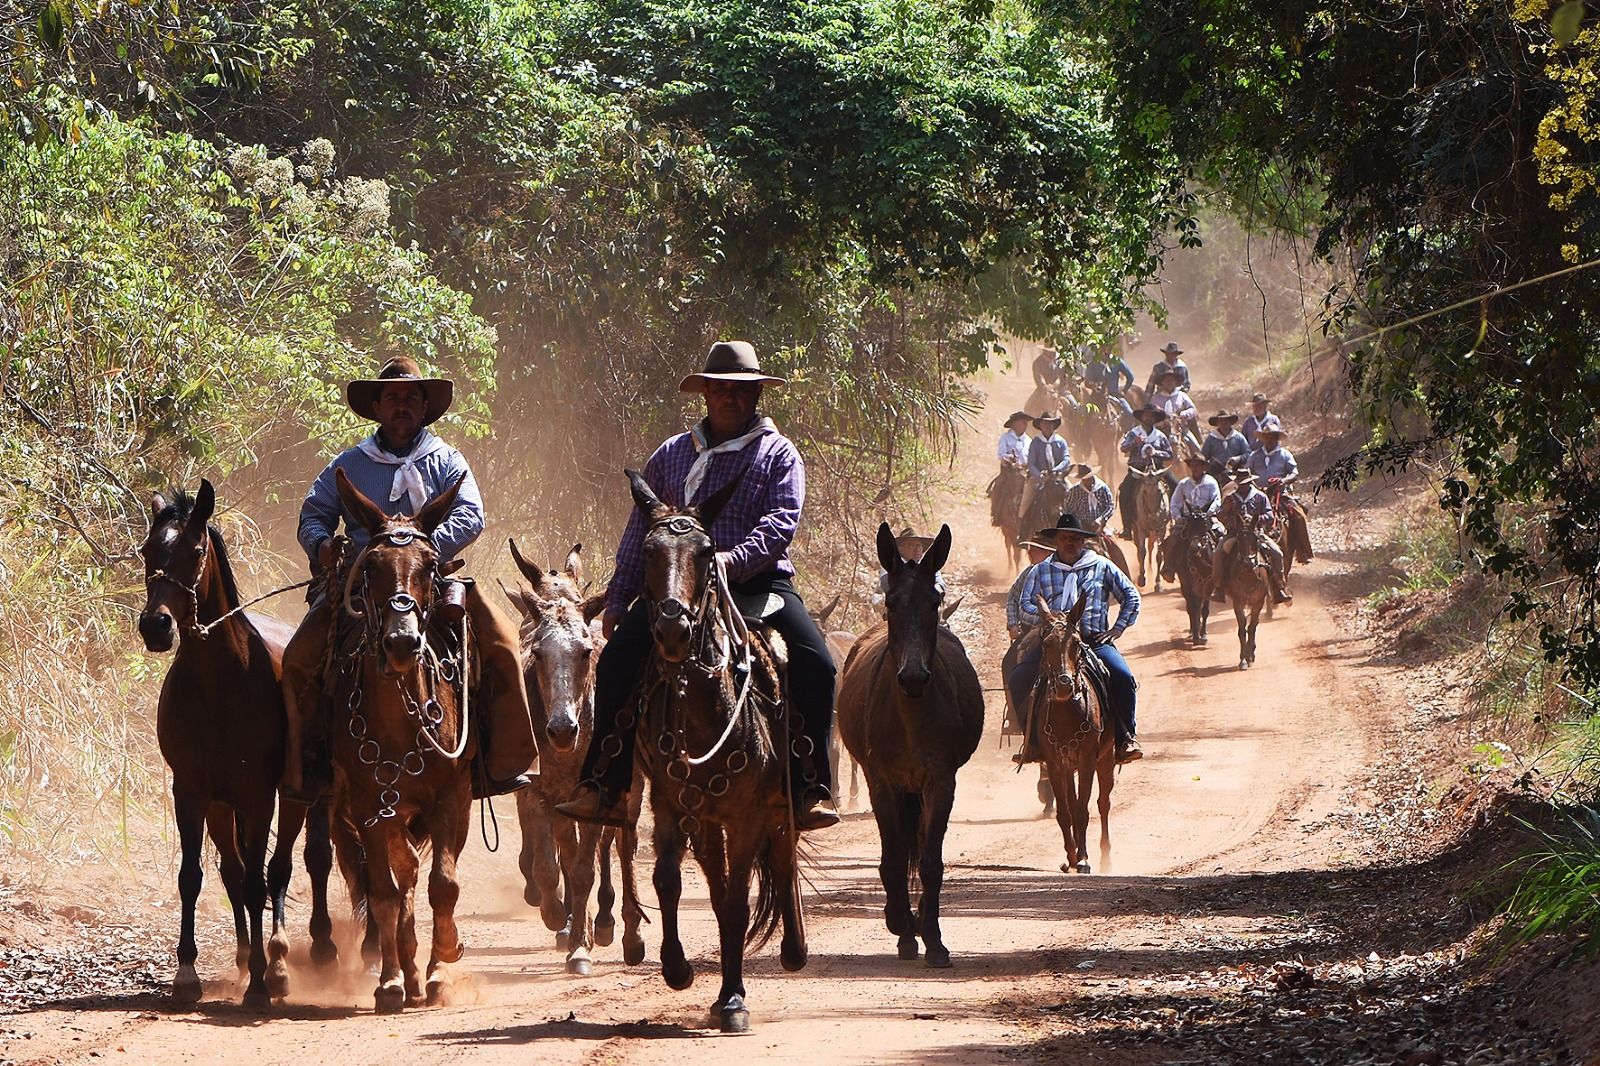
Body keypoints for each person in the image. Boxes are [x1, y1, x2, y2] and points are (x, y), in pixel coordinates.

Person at [556, 341, 839, 831]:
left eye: (742, 391)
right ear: (705, 393)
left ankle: (809, 784)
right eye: (721, 389)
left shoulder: (777, 454)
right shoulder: (671, 455)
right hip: (671, 587)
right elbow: (637, 535)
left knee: (816, 663)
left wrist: (727, 562)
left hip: (757, 584)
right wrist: (619, 598)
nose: (731, 398)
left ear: (756, 396)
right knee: (619, 659)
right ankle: (605, 783)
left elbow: (780, 523)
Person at [279, 355, 539, 802]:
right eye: (392, 397)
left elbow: (472, 515)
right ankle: (307, 760)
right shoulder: (350, 463)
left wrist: (423, 551)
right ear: (377, 407)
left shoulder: (448, 461)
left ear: (423, 408)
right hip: (360, 585)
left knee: (503, 643)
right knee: (299, 659)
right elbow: (314, 514)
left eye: (411, 398)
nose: (401, 405)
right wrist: (324, 547)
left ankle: (499, 759)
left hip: (431, 579)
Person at [1008, 514, 1143, 763]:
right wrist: (1047, 618)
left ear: (1083, 541)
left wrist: (1117, 629)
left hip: (1092, 641)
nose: (1069, 543)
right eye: (1064, 538)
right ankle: (1032, 742)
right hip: (1053, 643)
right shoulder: (1040, 570)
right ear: (1056, 542)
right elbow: (1024, 605)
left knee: (1123, 677)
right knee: (1018, 678)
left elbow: (1131, 596)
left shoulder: (1102, 566)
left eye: (1074, 538)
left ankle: (1125, 738)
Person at [1213, 469, 1291, 604]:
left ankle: (1279, 587)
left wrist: (1254, 521)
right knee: (1218, 552)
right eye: (1240, 483)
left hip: (1256, 533)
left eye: (1245, 483)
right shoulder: (1230, 498)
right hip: (1234, 534)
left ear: (1250, 482)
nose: (1243, 486)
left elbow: (1270, 515)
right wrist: (1226, 510)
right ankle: (1219, 587)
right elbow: (1219, 515)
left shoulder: (1260, 497)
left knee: (1277, 553)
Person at [1160, 453, 1223, 582]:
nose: (1194, 468)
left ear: (1203, 467)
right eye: (1193, 465)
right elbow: (1175, 502)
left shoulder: (1211, 483)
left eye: (1198, 465)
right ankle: (1169, 568)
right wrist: (1177, 516)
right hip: (1187, 521)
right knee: (1172, 539)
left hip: (1207, 519)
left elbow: (1217, 500)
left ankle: (1223, 574)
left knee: (1222, 538)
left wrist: (1209, 513)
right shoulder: (1183, 483)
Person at [1116, 404, 1173, 538]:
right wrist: (1135, 443)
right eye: (1146, 415)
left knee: (1176, 486)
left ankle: (1175, 523)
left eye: (1151, 416)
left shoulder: (1160, 436)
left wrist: (1156, 453)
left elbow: (1170, 454)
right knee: (1124, 492)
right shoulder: (1134, 433)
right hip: (1138, 470)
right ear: (1142, 417)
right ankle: (1127, 528)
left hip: (1157, 469)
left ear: (1154, 419)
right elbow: (1123, 448)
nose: (1149, 418)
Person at [1017, 411, 1071, 521]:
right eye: (1045, 423)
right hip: (1038, 478)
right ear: (1041, 425)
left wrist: (1056, 470)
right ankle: (1022, 529)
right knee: (1024, 503)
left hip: (1058, 477)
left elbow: (1066, 459)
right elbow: (1031, 463)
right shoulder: (1036, 442)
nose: (1047, 426)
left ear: (1054, 426)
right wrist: (1039, 474)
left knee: (1073, 494)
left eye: (1050, 424)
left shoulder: (1061, 441)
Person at [1150, 368, 1198, 448]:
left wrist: (1184, 414)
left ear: (1176, 382)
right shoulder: (1155, 398)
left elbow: (1193, 409)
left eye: (1172, 380)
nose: (1169, 383)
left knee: (1196, 447)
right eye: (1167, 381)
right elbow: (1150, 413)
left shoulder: (1182, 396)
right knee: (1147, 449)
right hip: (1160, 431)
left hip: (1181, 429)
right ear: (1162, 382)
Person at [1062, 462, 1114, 533]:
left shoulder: (1102, 488)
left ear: (1092, 476)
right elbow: (1067, 509)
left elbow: (1110, 506)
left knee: (1112, 543)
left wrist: (1101, 519)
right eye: (1083, 479)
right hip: (1080, 526)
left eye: (1087, 478)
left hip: (1099, 526)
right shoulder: (1074, 490)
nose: (1085, 481)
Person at [1082, 350, 1135, 417]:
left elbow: (1130, 377)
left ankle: (1129, 427)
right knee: (1083, 415)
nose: (1104, 350)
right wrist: (1094, 385)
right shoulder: (1093, 363)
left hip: (1114, 395)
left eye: (1107, 347)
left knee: (1129, 414)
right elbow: (1087, 382)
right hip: (1096, 397)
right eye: (1102, 347)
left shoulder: (1117, 361)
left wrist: (1124, 390)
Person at [1201, 409, 1251, 481]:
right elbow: (1203, 456)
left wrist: (1238, 458)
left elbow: (1248, 454)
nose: (1224, 422)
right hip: (1215, 474)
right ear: (1217, 423)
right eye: (1221, 420)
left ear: (1230, 422)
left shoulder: (1239, 437)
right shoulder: (1211, 438)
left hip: (1235, 474)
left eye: (1226, 420)